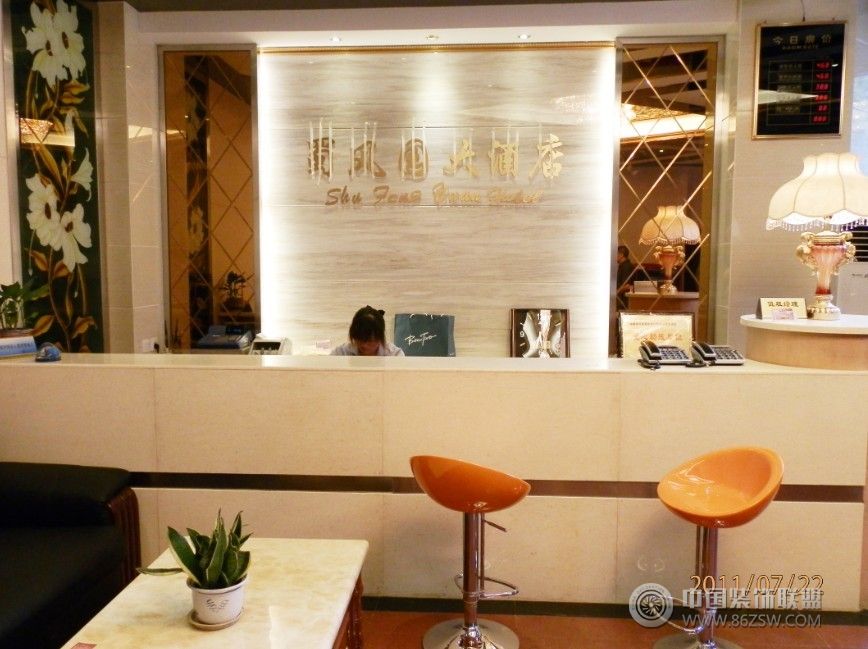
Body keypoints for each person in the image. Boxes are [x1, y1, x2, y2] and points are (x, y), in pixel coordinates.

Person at [331, 305, 405, 356]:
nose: (364, 345)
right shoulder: (341, 353)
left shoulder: (394, 355)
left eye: (370, 341)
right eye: (360, 340)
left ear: (380, 337)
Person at [616, 245, 636, 310]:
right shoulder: (623, 266)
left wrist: (615, 293)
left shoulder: (626, 266)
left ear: (621, 255)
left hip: (624, 301)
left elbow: (627, 285)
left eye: (615, 253)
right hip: (622, 300)